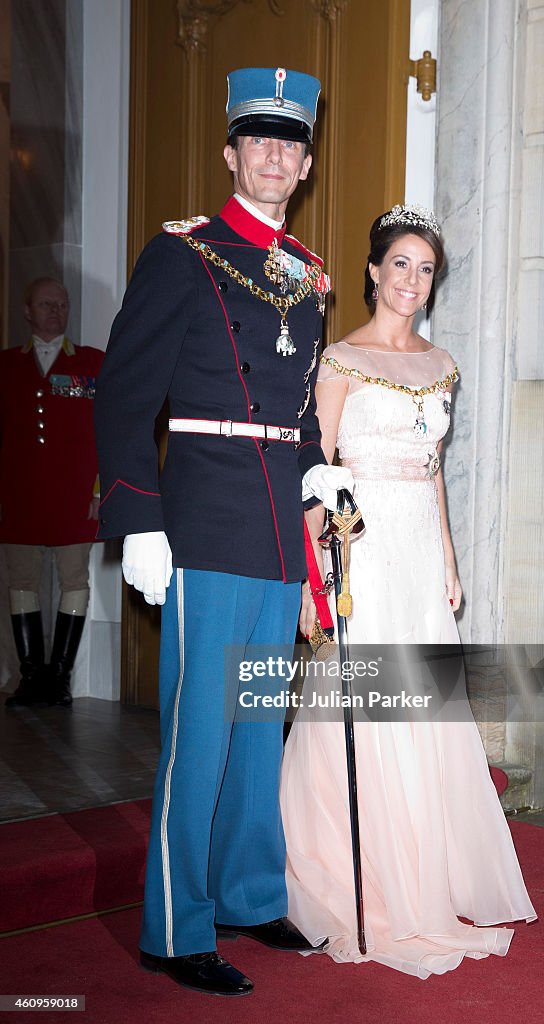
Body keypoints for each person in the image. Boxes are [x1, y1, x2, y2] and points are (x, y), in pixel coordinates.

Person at [94, 67, 352, 998]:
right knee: (198, 732)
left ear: (307, 162)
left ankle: (248, 893)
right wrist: (137, 522)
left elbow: (294, 401)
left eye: (291, 143)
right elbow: (125, 394)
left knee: (254, 729)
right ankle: (174, 924)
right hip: (200, 520)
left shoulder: (309, 273)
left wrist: (317, 462)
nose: (275, 155)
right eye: (260, 140)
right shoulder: (183, 253)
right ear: (233, 153)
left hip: (280, 529)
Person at [281, 205, 537, 979]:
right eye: (399, 263)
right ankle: (348, 876)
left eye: (425, 269)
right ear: (372, 270)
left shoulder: (442, 363)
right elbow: (315, 468)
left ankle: (421, 868)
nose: (411, 280)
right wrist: (315, 571)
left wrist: (452, 558)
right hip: (361, 552)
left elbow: (433, 474)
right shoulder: (338, 359)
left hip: (421, 556)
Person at [0, 278, 103, 709]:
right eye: (45, 304)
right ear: (27, 310)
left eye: (61, 304)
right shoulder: (5, 365)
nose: (55, 311)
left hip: (74, 494)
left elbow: (108, 431)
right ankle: (29, 676)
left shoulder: (93, 363)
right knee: (22, 581)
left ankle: (59, 676)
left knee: (74, 580)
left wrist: (100, 489)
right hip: (18, 495)